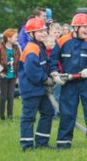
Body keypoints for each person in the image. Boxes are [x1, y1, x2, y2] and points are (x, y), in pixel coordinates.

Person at [50, 13, 87, 149]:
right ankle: (63, 144)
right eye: (84, 27)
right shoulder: (62, 41)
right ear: (75, 28)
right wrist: (55, 73)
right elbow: (53, 60)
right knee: (67, 113)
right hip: (69, 83)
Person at [18, 18, 55, 151]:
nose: (43, 33)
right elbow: (32, 70)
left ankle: (42, 143)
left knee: (48, 112)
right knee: (29, 117)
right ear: (31, 34)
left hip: (40, 89)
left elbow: (46, 65)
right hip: (31, 89)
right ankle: (27, 146)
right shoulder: (32, 48)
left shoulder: (40, 46)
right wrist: (46, 79)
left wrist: (54, 74)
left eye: (44, 30)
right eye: (39, 31)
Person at [0, 29, 21, 120]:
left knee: (11, 96)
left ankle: (10, 116)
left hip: (13, 76)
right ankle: (2, 116)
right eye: (15, 37)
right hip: (4, 75)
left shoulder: (16, 48)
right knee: (3, 97)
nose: (17, 39)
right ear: (9, 38)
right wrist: (0, 72)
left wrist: (17, 75)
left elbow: (19, 62)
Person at [48, 23, 62, 119]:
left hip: (60, 72)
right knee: (52, 94)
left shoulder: (61, 43)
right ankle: (54, 113)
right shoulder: (48, 43)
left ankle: (58, 112)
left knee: (58, 94)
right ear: (50, 32)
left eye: (58, 32)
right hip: (51, 72)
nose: (56, 34)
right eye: (54, 32)